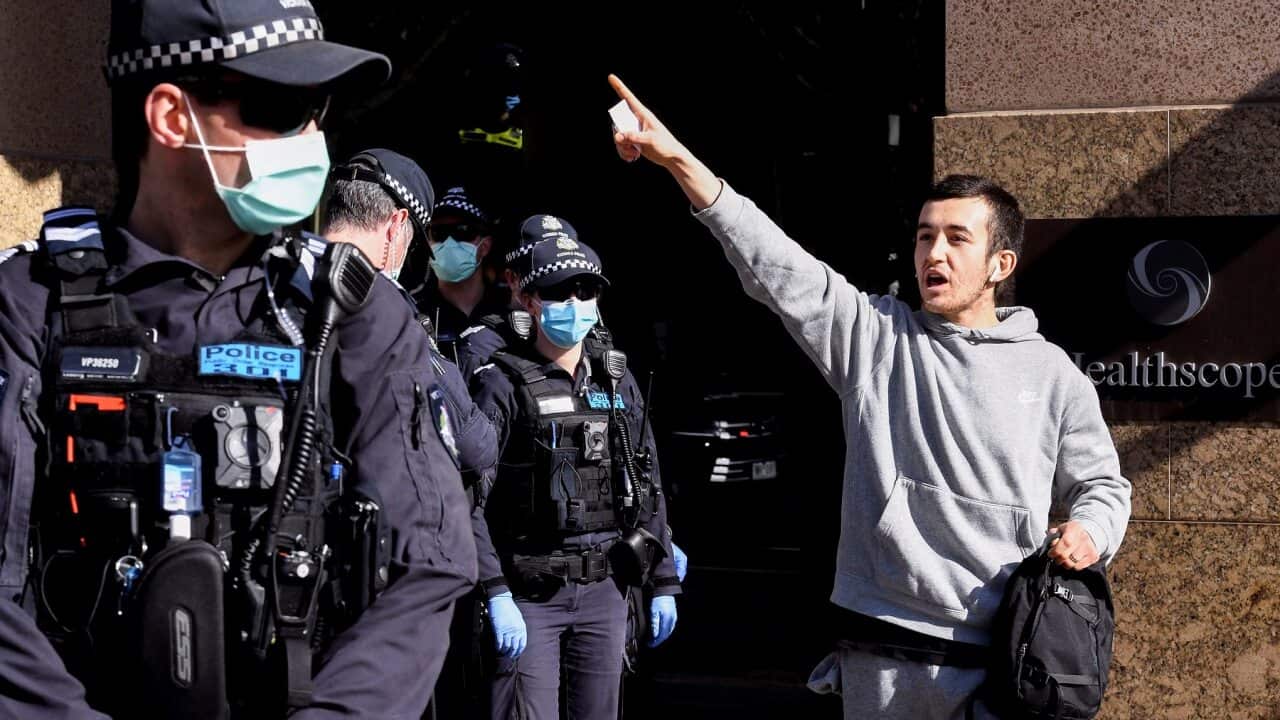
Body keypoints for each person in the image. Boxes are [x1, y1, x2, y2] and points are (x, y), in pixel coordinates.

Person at [0, 2, 478, 717]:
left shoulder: (349, 310)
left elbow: (431, 561)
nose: (312, 137)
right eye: (280, 106)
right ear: (169, 116)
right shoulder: (31, 301)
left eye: (317, 107)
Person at [607, 74, 1131, 719]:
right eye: (923, 236)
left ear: (1001, 265)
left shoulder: (1053, 375)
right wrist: (679, 160)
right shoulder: (876, 337)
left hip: (1005, 657)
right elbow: (774, 265)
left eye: (957, 239)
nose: (933, 252)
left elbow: (1104, 487)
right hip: (883, 652)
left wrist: (1091, 532)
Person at [462, 214, 681, 720]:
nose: (576, 304)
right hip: (530, 593)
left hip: (606, 590)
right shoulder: (502, 383)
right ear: (531, 301)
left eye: (587, 291)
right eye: (562, 292)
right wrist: (494, 591)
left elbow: (647, 483)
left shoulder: (615, 380)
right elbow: (469, 497)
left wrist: (664, 580)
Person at [322, 148, 501, 720]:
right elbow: (475, 445)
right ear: (399, 226)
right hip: (375, 586)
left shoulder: (266, 292)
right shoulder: (396, 320)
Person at [415, 185, 513, 362]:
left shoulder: (510, 308)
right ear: (428, 241)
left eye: (463, 232)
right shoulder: (412, 312)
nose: (450, 242)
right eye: (439, 233)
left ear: (485, 246)